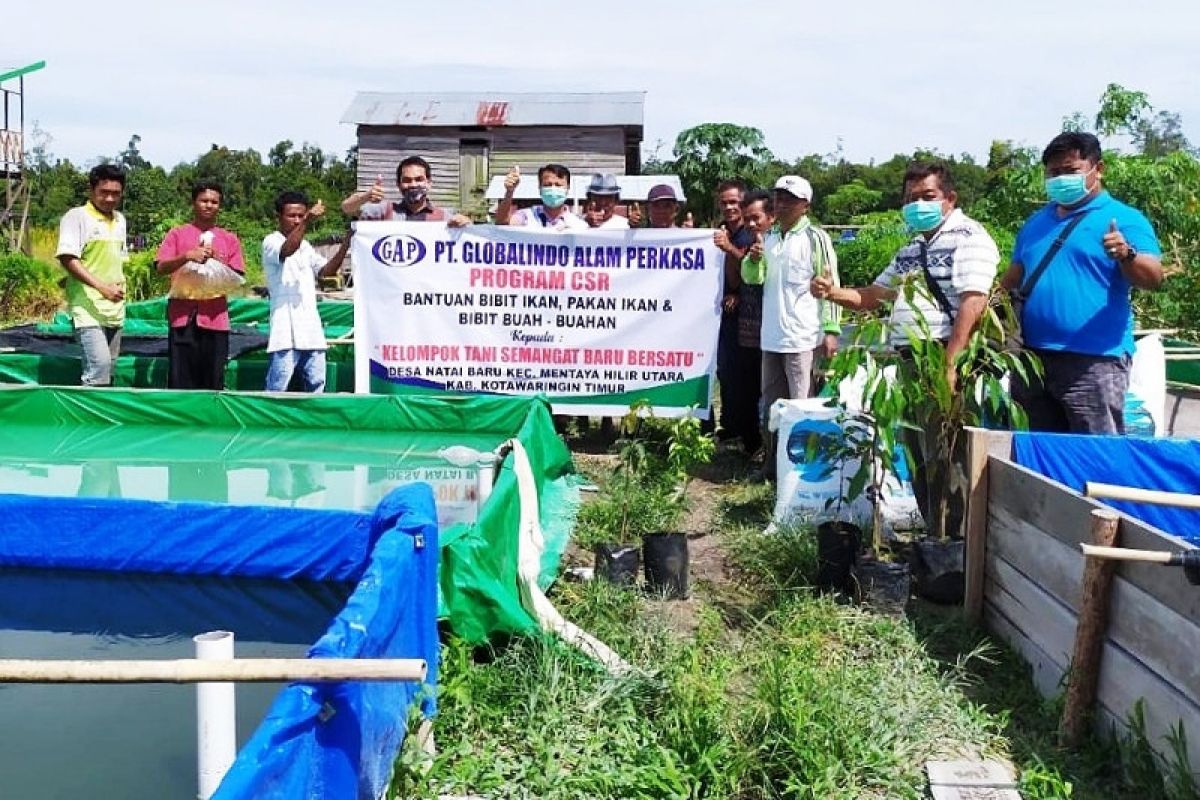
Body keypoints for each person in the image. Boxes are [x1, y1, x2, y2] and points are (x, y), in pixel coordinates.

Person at [812, 161, 1000, 525]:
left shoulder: (969, 237)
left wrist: (949, 363)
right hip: (911, 359)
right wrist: (833, 292)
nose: (918, 204)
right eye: (911, 198)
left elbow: (973, 303)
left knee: (948, 452)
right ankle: (934, 529)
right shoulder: (913, 247)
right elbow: (877, 295)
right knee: (919, 450)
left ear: (950, 198)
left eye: (927, 196)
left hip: (946, 356)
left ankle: (957, 539)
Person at [1000, 131, 1163, 434]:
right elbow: (1013, 279)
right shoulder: (1036, 223)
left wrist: (1126, 254)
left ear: (1097, 169)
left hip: (1094, 362)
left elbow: (1153, 278)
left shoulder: (1124, 218)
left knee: (1094, 454)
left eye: (1070, 171)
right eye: (1054, 172)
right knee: (1036, 455)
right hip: (1032, 360)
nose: (1061, 178)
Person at [741, 175, 841, 479]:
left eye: (789, 199)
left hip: (802, 336)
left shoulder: (815, 238)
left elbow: (831, 283)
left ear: (805, 205)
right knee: (771, 407)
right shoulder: (769, 238)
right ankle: (772, 465)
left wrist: (832, 330)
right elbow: (752, 278)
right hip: (771, 337)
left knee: (801, 406)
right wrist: (754, 260)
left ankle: (799, 471)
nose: (781, 203)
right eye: (778, 197)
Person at [155, 181, 246, 389]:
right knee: (181, 379)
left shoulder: (228, 239)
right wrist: (187, 256)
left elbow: (237, 276)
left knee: (213, 380)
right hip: (182, 319)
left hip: (215, 319)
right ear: (193, 203)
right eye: (204, 200)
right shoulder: (177, 234)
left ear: (220, 206)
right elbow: (161, 267)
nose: (209, 205)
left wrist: (217, 263)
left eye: (214, 202)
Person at [262, 191, 351, 392]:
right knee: (278, 384)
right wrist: (308, 220)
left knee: (317, 382)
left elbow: (325, 272)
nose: (296, 220)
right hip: (284, 330)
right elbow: (286, 250)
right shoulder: (271, 241)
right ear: (279, 217)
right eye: (291, 215)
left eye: (301, 216)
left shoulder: (306, 246)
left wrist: (345, 244)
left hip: (310, 328)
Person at [55, 164, 129, 387]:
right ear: (91, 190)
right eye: (103, 192)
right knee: (99, 368)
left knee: (109, 370)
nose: (109, 198)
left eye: (115, 193)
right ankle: (90, 420)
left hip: (114, 309)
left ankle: (101, 418)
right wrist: (102, 287)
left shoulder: (120, 220)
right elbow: (68, 257)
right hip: (86, 307)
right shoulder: (76, 217)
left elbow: (115, 261)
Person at [712, 179, 754, 448]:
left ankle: (746, 431)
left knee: (743, 375)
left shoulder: (749, 233)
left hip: (746, 315)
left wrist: (729, 248)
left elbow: (753, 269)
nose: (729, 207)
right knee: (725, 372)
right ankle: (729, 425)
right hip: (720, 313)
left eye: (734, 202)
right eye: (724, 202)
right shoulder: (719, 231)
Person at [341, 155, 471, 226]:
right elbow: (347, 208)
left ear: (429, 183)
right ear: (398, 185)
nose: (413, 184)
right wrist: (366, 197)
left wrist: (466, 226)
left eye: (419, 179)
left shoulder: (443, 217)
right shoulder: (385, 212)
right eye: (407, 180)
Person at [496, 163, 588, 230]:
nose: (553, 189)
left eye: (558, 185)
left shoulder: (578, 225)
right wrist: (509, 192)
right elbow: (502, 224)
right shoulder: (526, 216)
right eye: (548, 185)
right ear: (540, 188)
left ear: (567, 188)